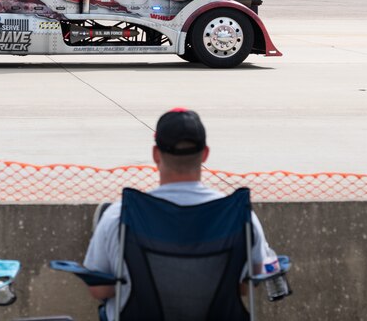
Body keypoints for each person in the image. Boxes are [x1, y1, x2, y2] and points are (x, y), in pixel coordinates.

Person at [83, 108, 276, 320]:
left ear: (156, 154)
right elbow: (249, 284)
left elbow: (99, 289)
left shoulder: (119, 216)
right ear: (205, 154)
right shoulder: (240, 217)